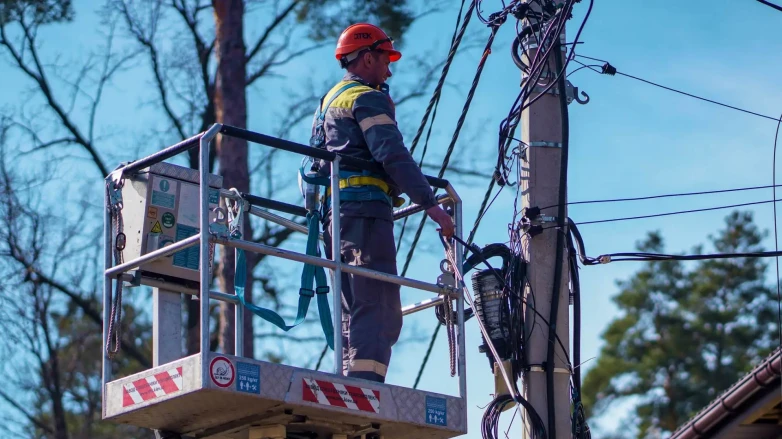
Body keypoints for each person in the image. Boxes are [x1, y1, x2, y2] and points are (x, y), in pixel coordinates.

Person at [311, 23, 454, 383]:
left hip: (336, 218)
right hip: (365, 216)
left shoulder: (329, 101)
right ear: (368, 57)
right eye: (386, 60)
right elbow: (390, 153)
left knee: (353, 306)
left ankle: (351, 382)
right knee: (379, 304)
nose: (389, 70)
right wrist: (431, 205)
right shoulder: (365, 97)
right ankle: (366, 390)